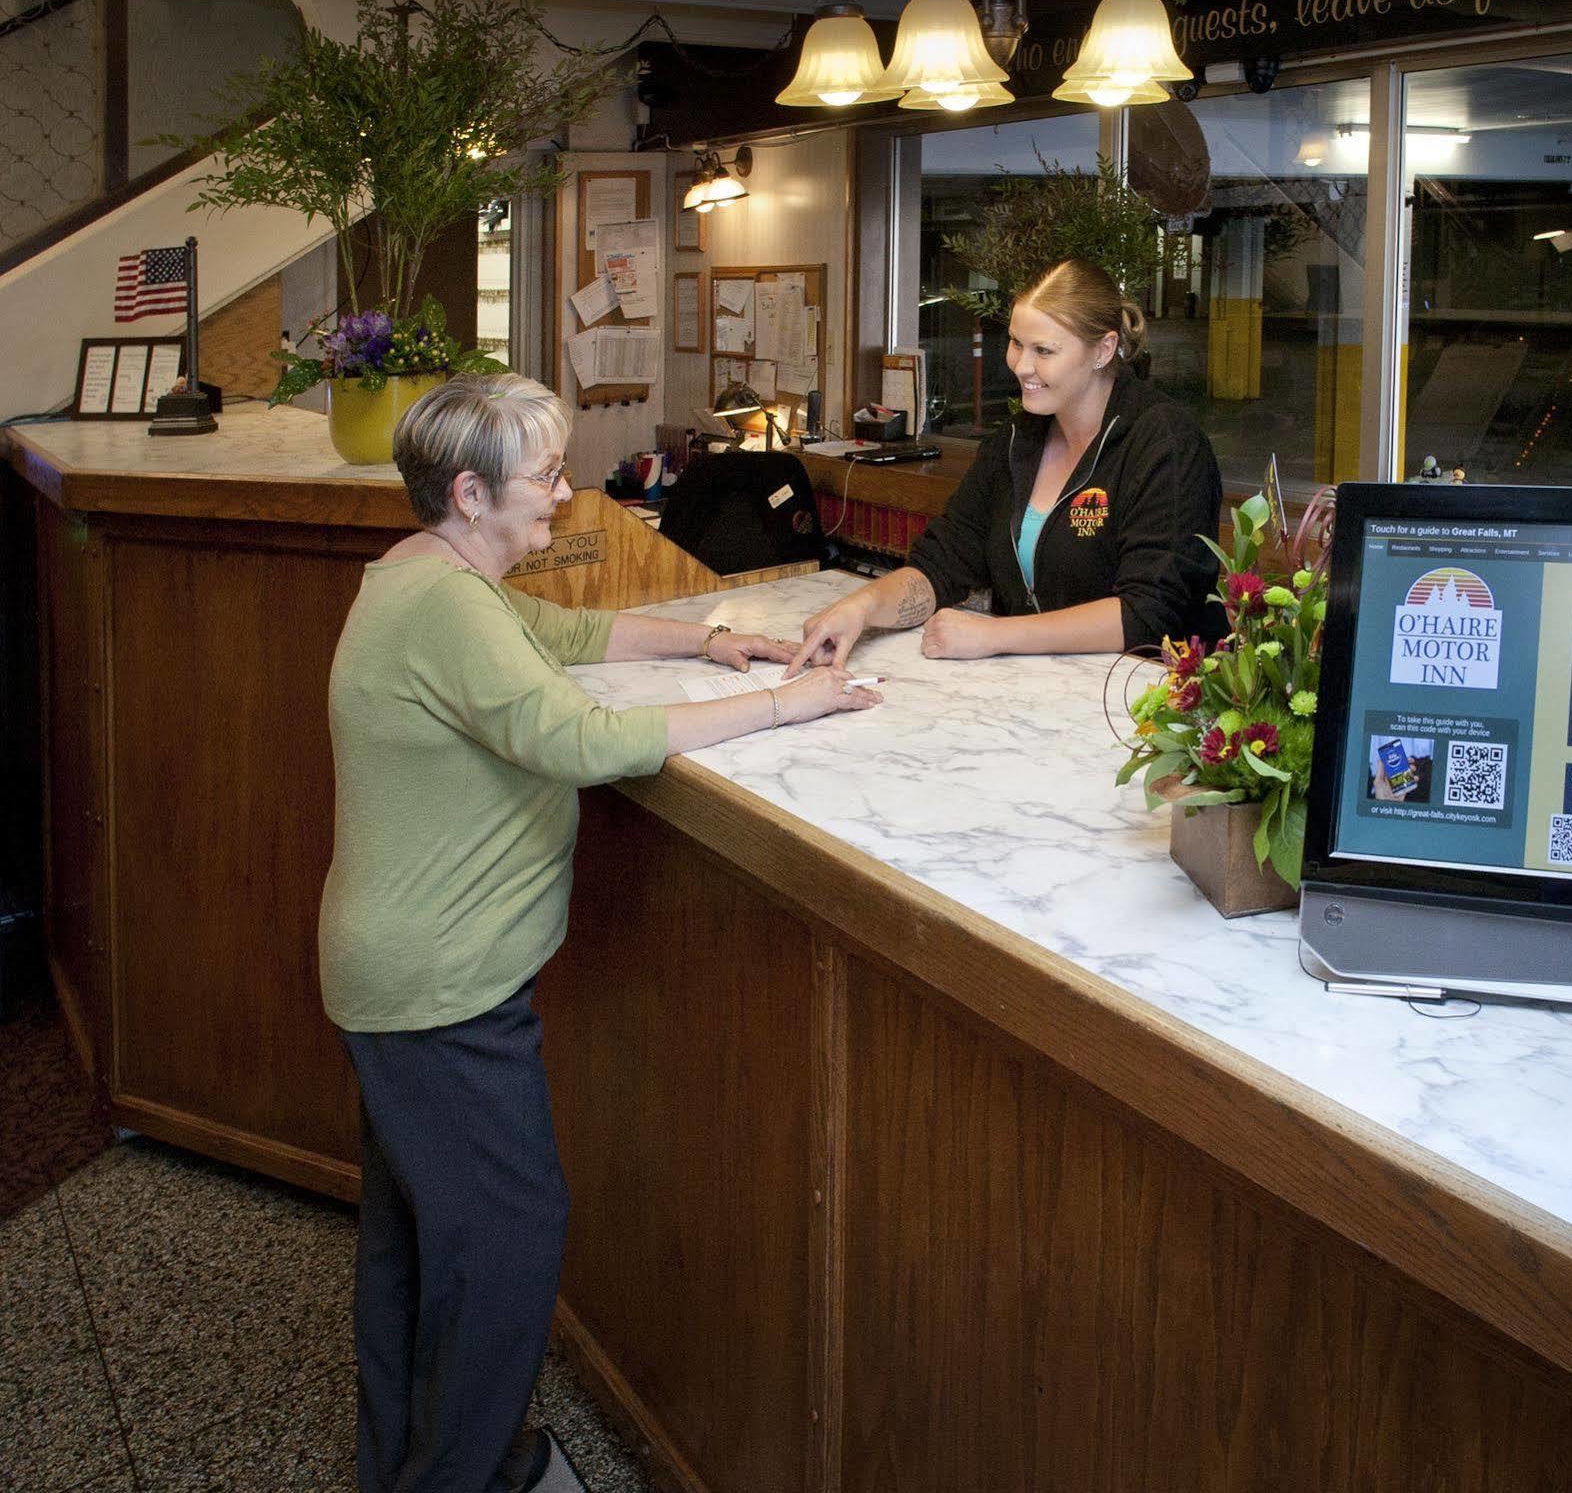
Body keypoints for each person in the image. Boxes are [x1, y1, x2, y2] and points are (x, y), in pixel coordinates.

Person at [318, 373, 879, 1493]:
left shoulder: (430, 572)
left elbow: (567, 631)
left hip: (398, 972)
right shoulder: (443, 604)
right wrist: (786, 704)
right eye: (544, 476)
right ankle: (469, 1480)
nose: (566, 494)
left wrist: (709, 639)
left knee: (419, 1248)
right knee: (511, 1241)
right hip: (442, 987)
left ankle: (407, 1468)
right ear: (470, 493)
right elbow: (578, 738)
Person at [786, 259, 1224, 669]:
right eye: (1016, 343)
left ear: (1104, 349)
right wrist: (861, 609)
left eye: (1044, 351)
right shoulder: (1017, 440)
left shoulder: (1166, 445)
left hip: (1142, 703)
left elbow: (1149, 614)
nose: (1022, 366)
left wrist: (997, 635)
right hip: (1036, 696)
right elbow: (941, 563)